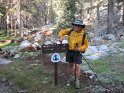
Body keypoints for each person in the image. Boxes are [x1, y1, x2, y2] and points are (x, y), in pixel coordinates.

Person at [58, 19, 88, 89]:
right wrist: (60, 37)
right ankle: (71, 78)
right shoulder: (70, 31)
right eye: (75, 25)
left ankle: (77, 80)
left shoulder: (83, 34)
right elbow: (62, 32)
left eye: (78, 25)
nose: (76, 26)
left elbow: (86, 45)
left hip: (77, 52)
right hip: (69, 51)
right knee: (70, 66)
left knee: (77, 66)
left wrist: (80, 48)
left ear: (81, 27)